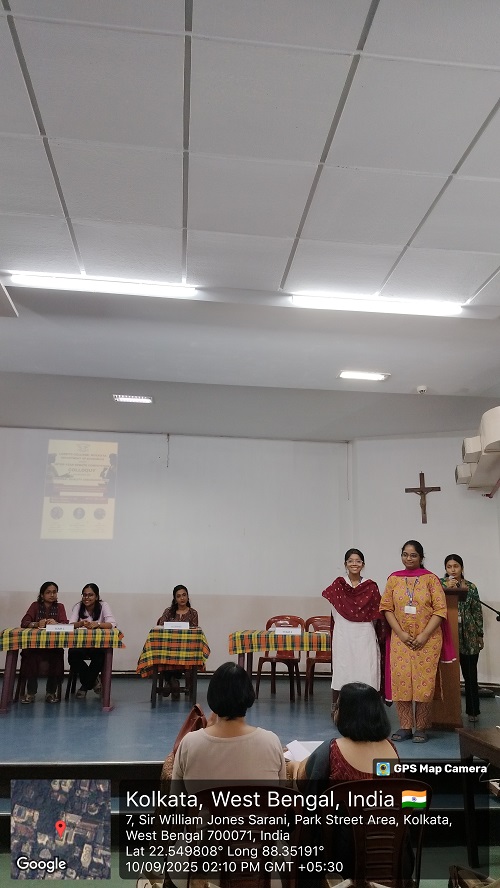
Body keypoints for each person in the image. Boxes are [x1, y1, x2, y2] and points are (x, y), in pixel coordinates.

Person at [172, 662, 286, 783]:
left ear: (212, 697)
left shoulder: (189, 744)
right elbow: (281, 790)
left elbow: (175, 794)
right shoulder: (271, 742)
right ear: (249, 695)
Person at [380, 540, 447, 743]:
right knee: (402, 682)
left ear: (421, 557)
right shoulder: (393, 579)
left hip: (428, 640)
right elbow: (386, 608)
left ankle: (422, 727)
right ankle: (405, 726)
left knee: (423, 684)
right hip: (401, 640)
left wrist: (424, 635)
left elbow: (440, 610)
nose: (408, 558)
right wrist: (400, 633)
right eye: (405, 554)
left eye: (413, 555)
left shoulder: (431, 580)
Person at [322, 548, 383, 713]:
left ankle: (369, 711)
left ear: (363, 564)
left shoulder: (370, 586)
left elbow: (376, 614)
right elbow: (335, 611)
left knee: (367, 669)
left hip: (365, 632)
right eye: (350, 561)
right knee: (343, 671)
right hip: (344, 633)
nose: (354, 564)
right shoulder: (338, 585)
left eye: (358, 561)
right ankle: (339, 709)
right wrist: (348, 620)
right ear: (345, 564)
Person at [441, 554, 484, 723]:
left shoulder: (471, 587)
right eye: (449, 566)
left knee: (470, 675)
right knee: (448, 676)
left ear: (462, 568)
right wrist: (447, 588)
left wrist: (480, 634)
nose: (453, 570)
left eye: (456, 566)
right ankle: (448, 712)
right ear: (445, 569)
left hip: (469, 635)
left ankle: (473, 711)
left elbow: (477, 611)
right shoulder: (439, 585)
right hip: (448, 633)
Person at [20, 582, 68, 703]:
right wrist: (36, 624)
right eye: (48, 592)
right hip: (35, 646)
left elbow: (65, 624)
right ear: (42, 595)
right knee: (30, 656)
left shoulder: (60, 607)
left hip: (53, 646)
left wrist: (57, 624)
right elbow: (24, 622)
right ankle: (30, 693)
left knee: (57, 655)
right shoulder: (35, 606)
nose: (52, 595)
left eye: (54, 592)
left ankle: (51, 693)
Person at [68, 583, 116, 698]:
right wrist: (80, 623)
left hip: (97, 644)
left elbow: (112, 624)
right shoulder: (78, 606)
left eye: (90, 595)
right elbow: (70, 624)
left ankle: (85, 687)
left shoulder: (103, 605)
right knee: (72, 656)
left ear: (96, 596)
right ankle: (94, 681)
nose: (87, 598)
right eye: (84, 595)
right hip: (80, 644)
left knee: (100, 656)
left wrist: (98, 624)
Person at [157, 584, 198, 701]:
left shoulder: (193, 613)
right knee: (166, 654)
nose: (182, 598)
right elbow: (161, 627)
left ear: (188, 597)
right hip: (168, 649)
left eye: (184, 595)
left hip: (186, 650)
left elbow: (194, 632)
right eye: (179, 596)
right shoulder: (168, 612)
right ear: (175, 599)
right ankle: (172, 681)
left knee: (183, 656)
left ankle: (170, 681)